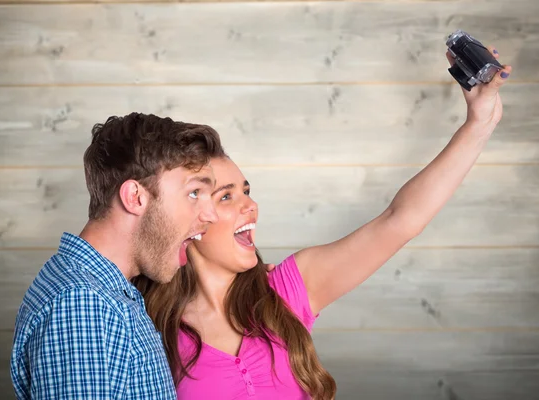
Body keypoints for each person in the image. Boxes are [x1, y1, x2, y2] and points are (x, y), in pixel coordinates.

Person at [134, 49, 513, 400]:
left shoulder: (286, 291)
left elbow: (401, 221)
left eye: (246, 191)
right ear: (191, 218)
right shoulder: (149, 328)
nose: (251, 206)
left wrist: (479, 123)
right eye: (227, 197)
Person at [10, 113, 227, 399]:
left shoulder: (104, 294)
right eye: (194, 192)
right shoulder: (83, 305)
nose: (210, 215)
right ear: (135, 197)